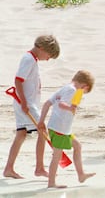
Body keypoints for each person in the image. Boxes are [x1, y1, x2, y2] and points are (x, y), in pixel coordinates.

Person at [3, 35, 60, 179]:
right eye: (49, 55)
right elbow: (18, 80)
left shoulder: (31, 60)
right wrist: (23, 101)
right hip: (26, 103)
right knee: (42, 129)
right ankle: (39, 168)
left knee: (21, 134)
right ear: (42, 48)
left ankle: (9, 169)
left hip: (26, 103)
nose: (48, 59)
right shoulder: (29, 59)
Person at [37, 70, 96, 188]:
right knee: (57, 155)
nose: (82, 94)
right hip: (60, 128)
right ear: (85, 86)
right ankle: (51, 183)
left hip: (61, 128)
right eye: (84, 92)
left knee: (77, 146)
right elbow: (61, 104)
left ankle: (81, 175)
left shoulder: (64, 88)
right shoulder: (72, 90)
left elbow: (47, 103)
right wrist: (71, 108)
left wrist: (41, 121)